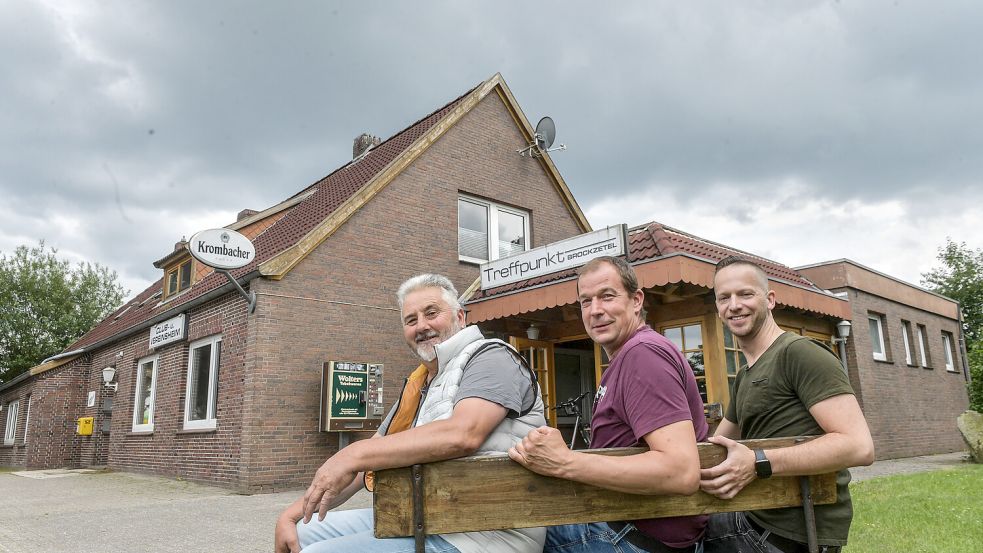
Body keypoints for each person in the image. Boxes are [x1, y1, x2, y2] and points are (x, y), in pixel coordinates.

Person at [274, 273, 547, 553]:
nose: (422, 326)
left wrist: (351, 454)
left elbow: (464, 434)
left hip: (483, 533)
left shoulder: (492, 356)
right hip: (422, 518)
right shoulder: (422, 382)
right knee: (299, 532)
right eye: (411, 320)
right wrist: (291, 514)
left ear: (461, 317)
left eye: (431, 313)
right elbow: (366, 463)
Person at [509, 256, 708, 553]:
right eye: (586, 301)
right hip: (634, 530)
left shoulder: (643, 355)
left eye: (607, 296)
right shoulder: (631, 354)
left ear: (636, 300)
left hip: (637, 539)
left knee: (502, 527)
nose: (596, 310)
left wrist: (565, 462)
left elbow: (680, 470)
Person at [699, 256, 875, 553]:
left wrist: (758, 462)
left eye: (745, 294)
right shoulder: (745, 374)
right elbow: (718, 445)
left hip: (790, 533)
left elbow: (859, 446)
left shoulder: (800, 353)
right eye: (724, 298)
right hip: (753, 517)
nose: (734, 305)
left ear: (769, 300)